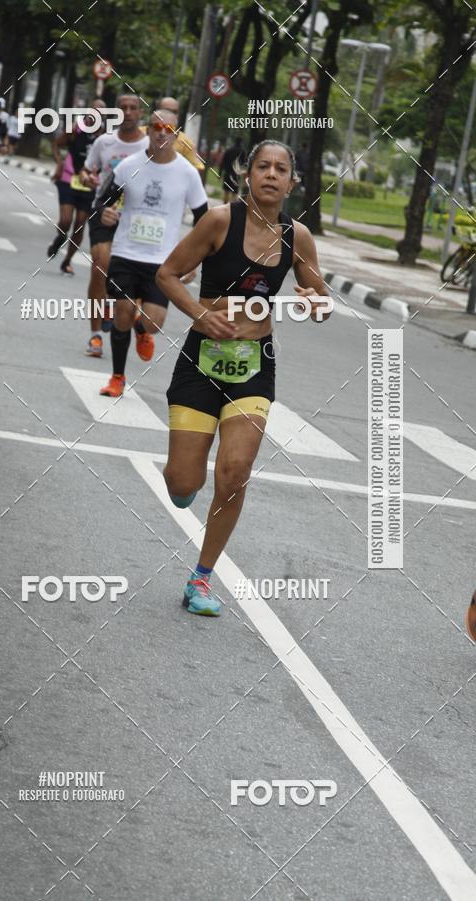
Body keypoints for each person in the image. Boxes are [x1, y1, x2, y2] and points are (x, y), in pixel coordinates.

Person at [156, 140, 331, 616]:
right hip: (201, 360)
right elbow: (168, 274)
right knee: (182, 482)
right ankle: (182, 481)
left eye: (281, 169)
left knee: (234, 473)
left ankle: (201, 578)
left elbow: (322, 301)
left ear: (292, 183)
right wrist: (200, 314)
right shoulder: (219, 221)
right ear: (247, 175)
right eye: (263, 167)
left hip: (254, 364)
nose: (271, 174)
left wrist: (316, 303)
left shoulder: (298, 237)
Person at [95, 109, 208, 398]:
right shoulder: (128, 166)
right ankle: (117, 377)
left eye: (168, 128)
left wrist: (194, 259)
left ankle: (141, 327)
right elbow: (103, 202)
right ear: (149, 130)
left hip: (163, 262)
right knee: (122, 312)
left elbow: (204, 220)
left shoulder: (187, 173)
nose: (161, 132)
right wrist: (105, 214)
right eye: (157, 126)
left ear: (176, 134)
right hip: (126, 253)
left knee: (154, 322)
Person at [79, 94, 149, 358]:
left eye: (133, 108)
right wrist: (87, 178)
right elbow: (86, 170)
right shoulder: (104, 142)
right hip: (104, 210)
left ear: (140, 113)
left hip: (137, 217)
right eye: (122, 108)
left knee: (135, 276)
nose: (128, 112)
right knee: (100, 265)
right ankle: (95, 335)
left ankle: (121, 309)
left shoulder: (149, 145)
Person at [48, 99, 106, 272]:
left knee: (80, 224)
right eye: (94, 109)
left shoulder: (106, 137)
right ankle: (60, 238)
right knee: (65, 221)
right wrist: (59, 164)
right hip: (69, 179)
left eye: (100, 111)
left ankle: (67, 260)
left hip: (90, 184)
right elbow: (56, 145)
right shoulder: (75, 129)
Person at [219, 137, 245, 202]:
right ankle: (232, 206)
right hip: (236, 176)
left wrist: (220, 174)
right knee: (234, 193)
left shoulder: (228, 150)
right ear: (241, 143)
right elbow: (243, 164)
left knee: (226, 191)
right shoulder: (242, 152)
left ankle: (225, 204)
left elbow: (222, 163)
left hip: (227, 174)